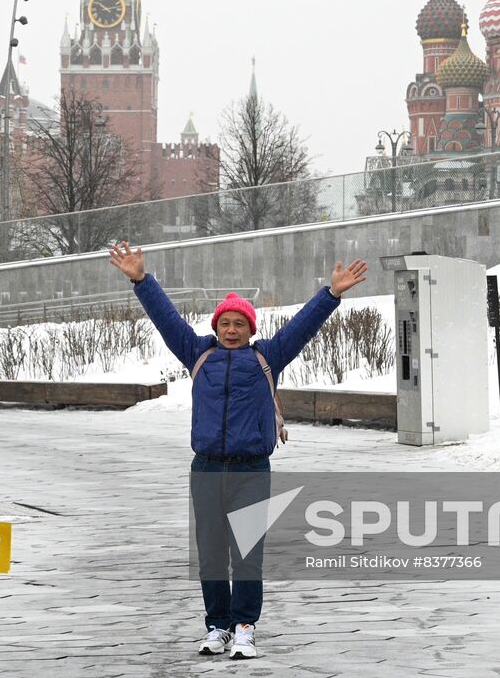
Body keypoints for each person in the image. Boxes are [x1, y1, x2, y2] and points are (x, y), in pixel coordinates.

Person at [108, 241, 367, 661]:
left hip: (251, 469)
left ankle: (244, 626)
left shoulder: (268, 356)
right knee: (210, 552)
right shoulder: (199, 354)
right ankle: (217, 626)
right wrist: (141, 279)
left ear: (251, 329)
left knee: (247, 551)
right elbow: (166, 319)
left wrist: (331, 294)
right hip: (207, 468)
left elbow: (303, 325)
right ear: (216, 327)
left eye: (239, 324)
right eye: (225, 323)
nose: (231, 330)